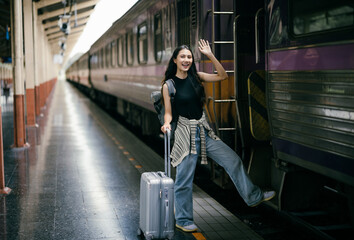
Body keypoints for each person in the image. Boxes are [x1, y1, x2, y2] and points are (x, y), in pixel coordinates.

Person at [161, 39, 275, 233]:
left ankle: (253, 197)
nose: (186, 60)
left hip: (203, 131)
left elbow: (222, 76)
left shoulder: (197, 77)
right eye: (182, 57)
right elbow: (169, 111)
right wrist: (166, 123)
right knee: (184, 180)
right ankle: (183, 219)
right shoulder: (169, 85)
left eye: (189, 57)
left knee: (232, 160)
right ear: (174, 60)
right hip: (185, 133)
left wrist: (210, 55)